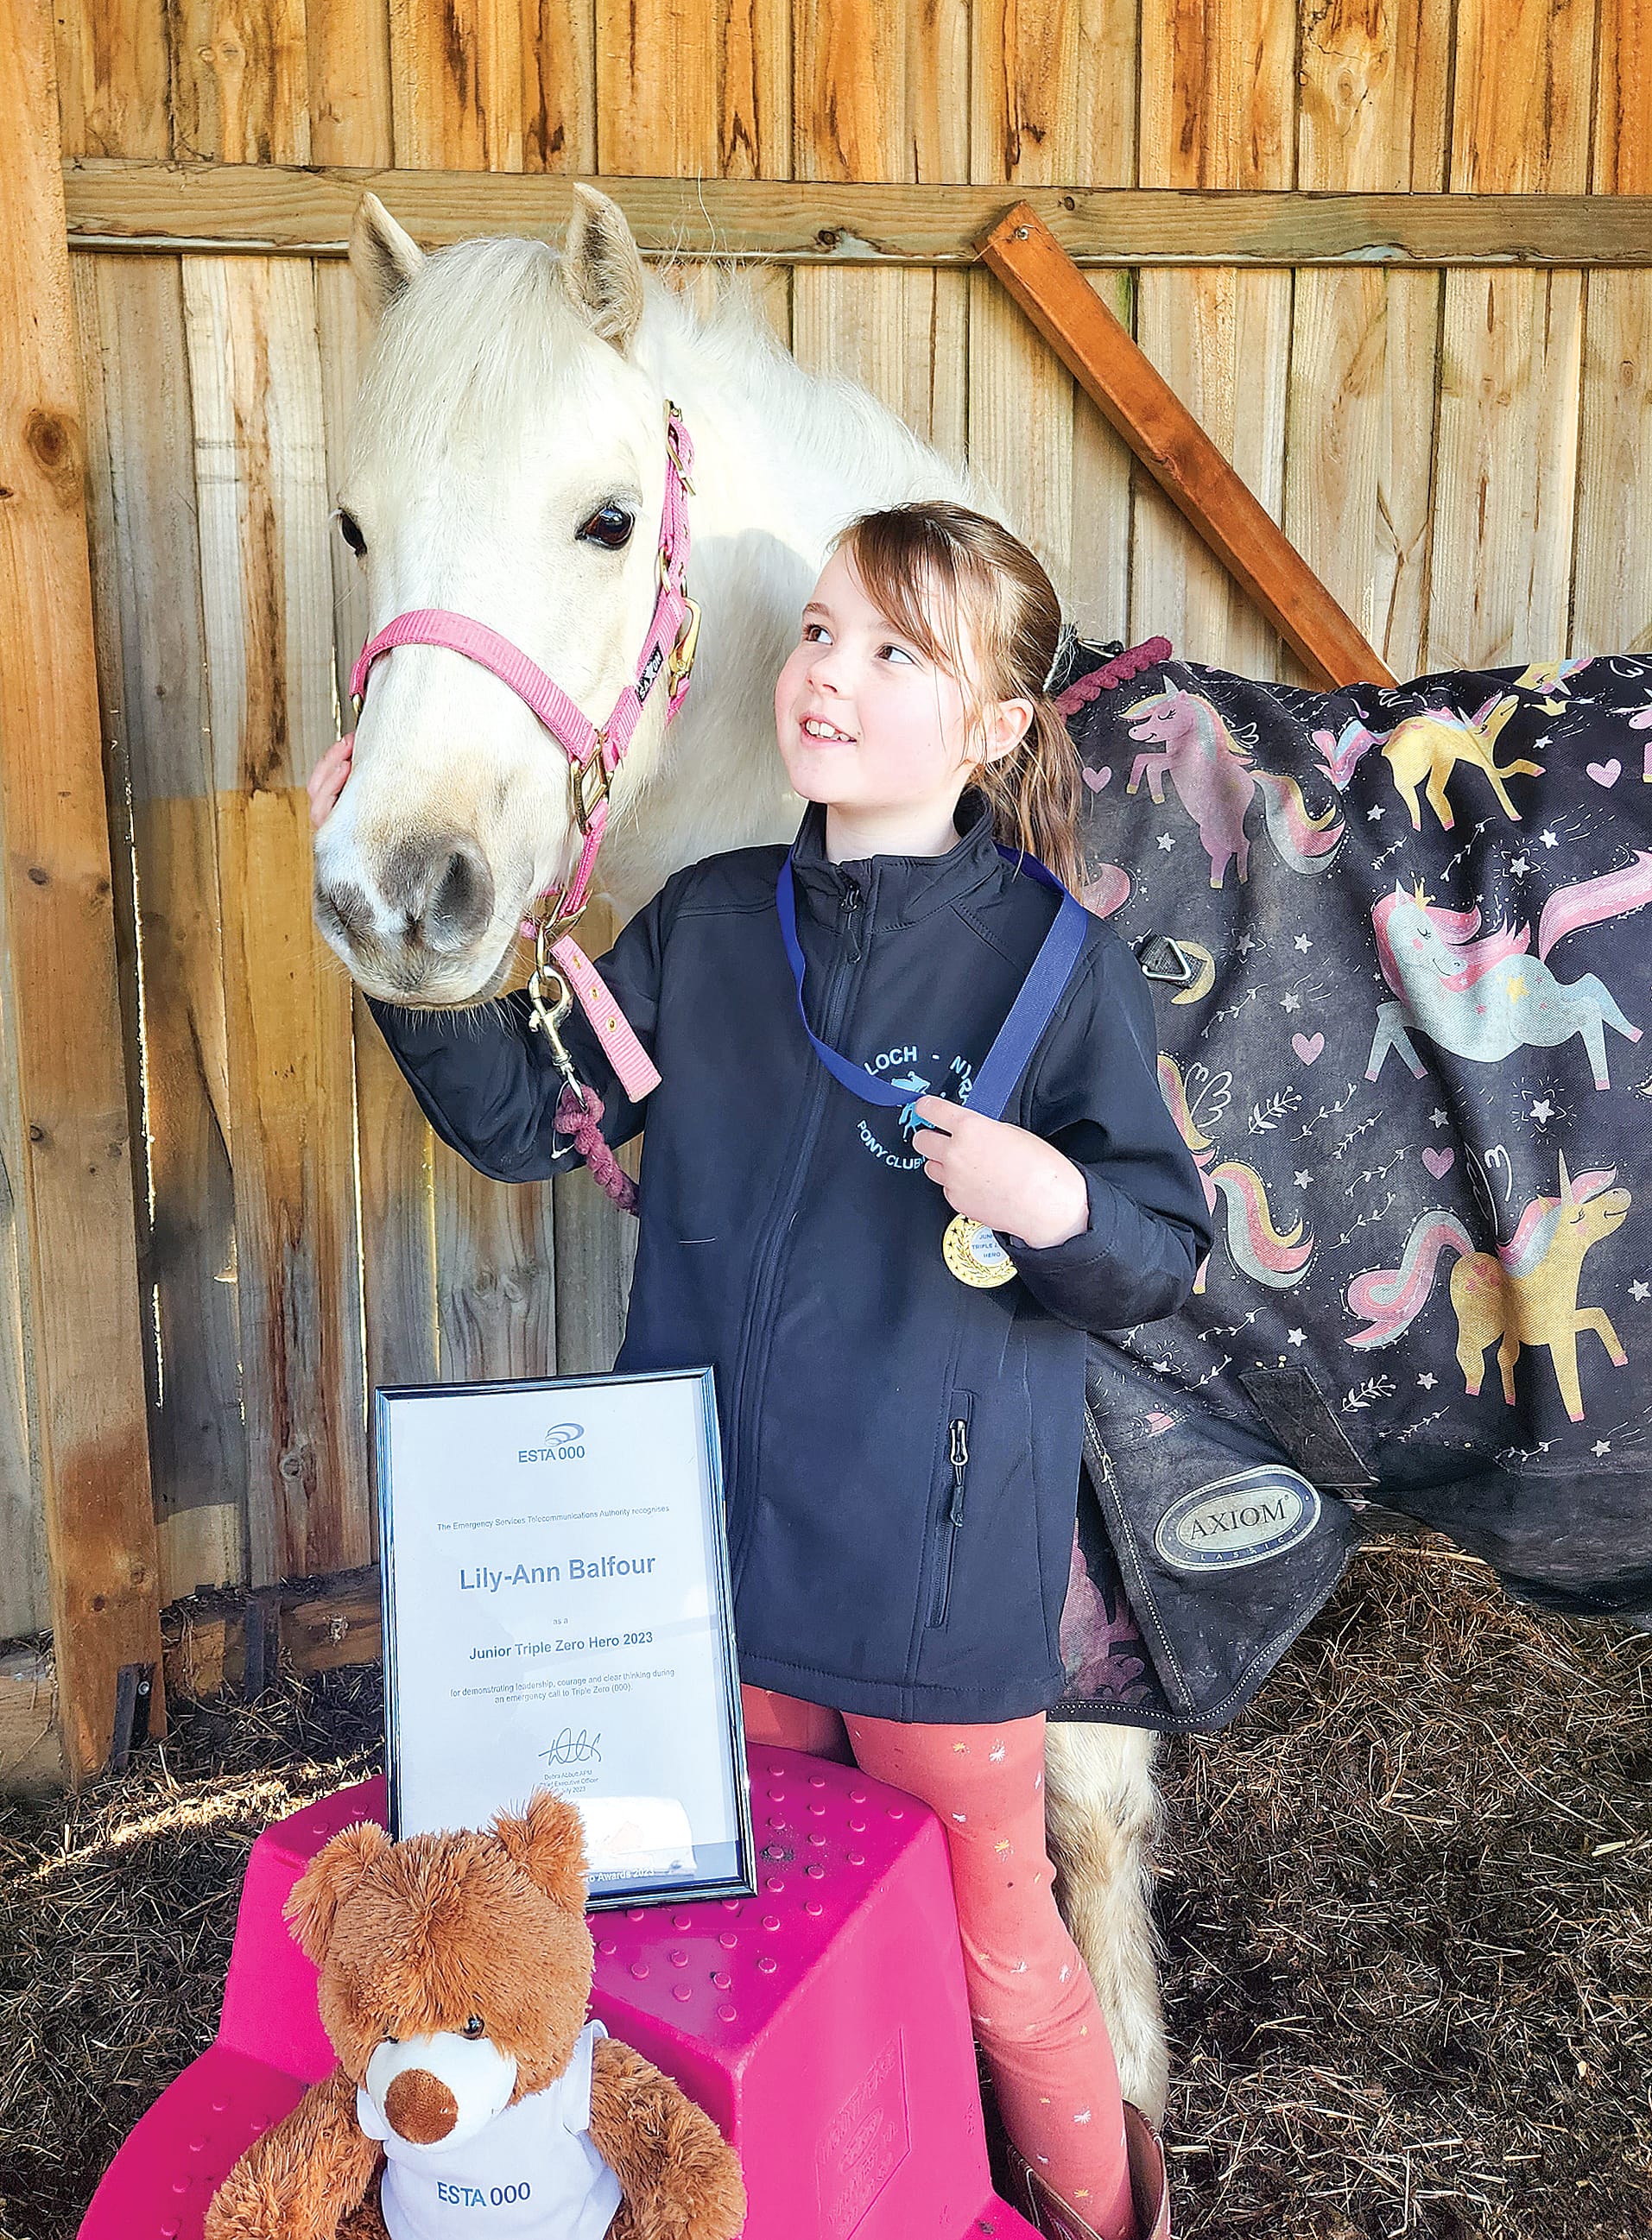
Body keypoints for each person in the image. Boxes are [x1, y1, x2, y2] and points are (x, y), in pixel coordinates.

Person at [311, 501, 1212, 2240]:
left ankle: (1111, 2217)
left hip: (934, 1589)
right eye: (815, 630)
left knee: (997, 1945)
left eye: (894, 650)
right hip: (700, 1574)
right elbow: (535, 1115)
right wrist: (403, 941)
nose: (828, 672)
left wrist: (1053, 1199)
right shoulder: (705, 928)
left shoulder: (1055, 968)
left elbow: (1161, 1254)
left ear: (999, 727)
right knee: (741, 1950)